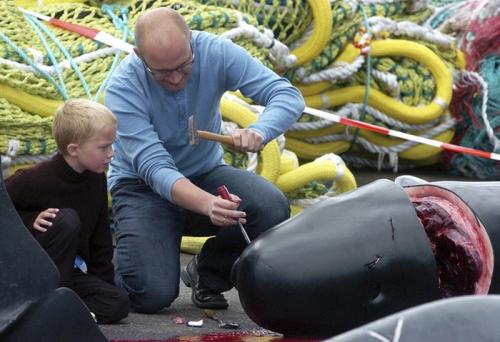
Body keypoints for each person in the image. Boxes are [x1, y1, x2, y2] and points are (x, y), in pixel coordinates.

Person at [104, 7, 305, 313]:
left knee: (270, 206)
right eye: (161, 72)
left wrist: (260, 130)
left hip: (205, 172)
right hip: (141, 188)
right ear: (138, 55)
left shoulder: (216, 51)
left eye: (183, 66)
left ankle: (209, 272)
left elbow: (287, 95)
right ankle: (108, 264)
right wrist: (207, 204)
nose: (175, 79)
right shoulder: (122, 87)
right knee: (150, 295)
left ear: (191, 43)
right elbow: (155, 169)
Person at [5, 99, 130, 324]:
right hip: (31, 271)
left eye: (112, 145)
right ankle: (51, 306)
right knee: (66, 220)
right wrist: (29, 219)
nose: (111, 153)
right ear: (74, 149)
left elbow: (100, 239)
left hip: (69, 274)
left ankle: (54, 306)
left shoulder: (96, 179)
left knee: (117, 303)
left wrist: (103, 284)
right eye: (104, 147)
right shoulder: (34, 179)